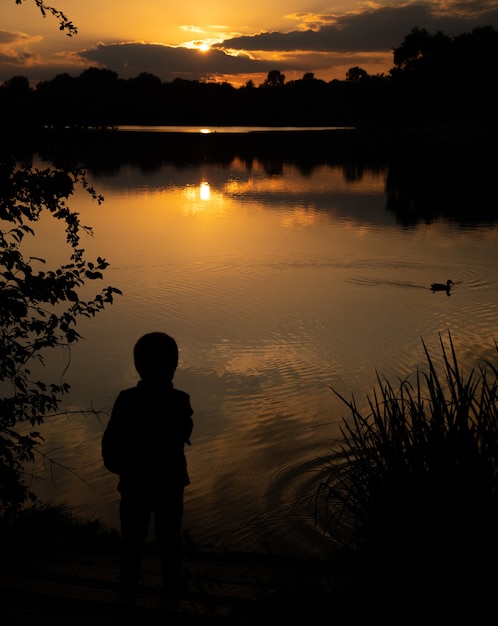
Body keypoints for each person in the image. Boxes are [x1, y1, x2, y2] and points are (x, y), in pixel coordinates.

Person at [102, 332, 193, 597]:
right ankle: (171, 588)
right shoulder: (180, 401)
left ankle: (128, 585)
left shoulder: (126, 400)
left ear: (138, 366)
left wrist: (125, 469)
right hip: (170, 483)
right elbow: (184, 432)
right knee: (170, 536)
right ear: (174, 366)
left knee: (131, 537)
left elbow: (110, 446)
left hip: (134, 483)